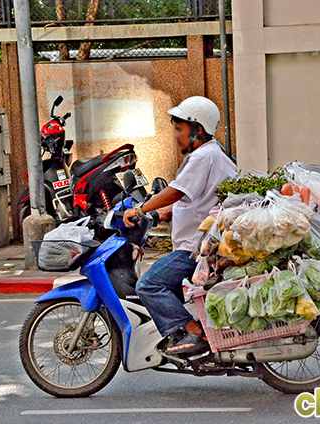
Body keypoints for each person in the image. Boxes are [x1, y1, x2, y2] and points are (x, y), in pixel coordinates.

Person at [123, 96, 238, 355]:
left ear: (198, 128)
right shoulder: (213, 154)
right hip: (203, 243)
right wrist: (163, 213)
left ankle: (196, 333)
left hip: (195, 249)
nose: (176, 136)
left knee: (149, 285)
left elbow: (176, 191)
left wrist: (141, 209)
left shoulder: (204, 156)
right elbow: (198, 199)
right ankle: (184, 338)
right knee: (169, 291)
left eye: (180, 129)